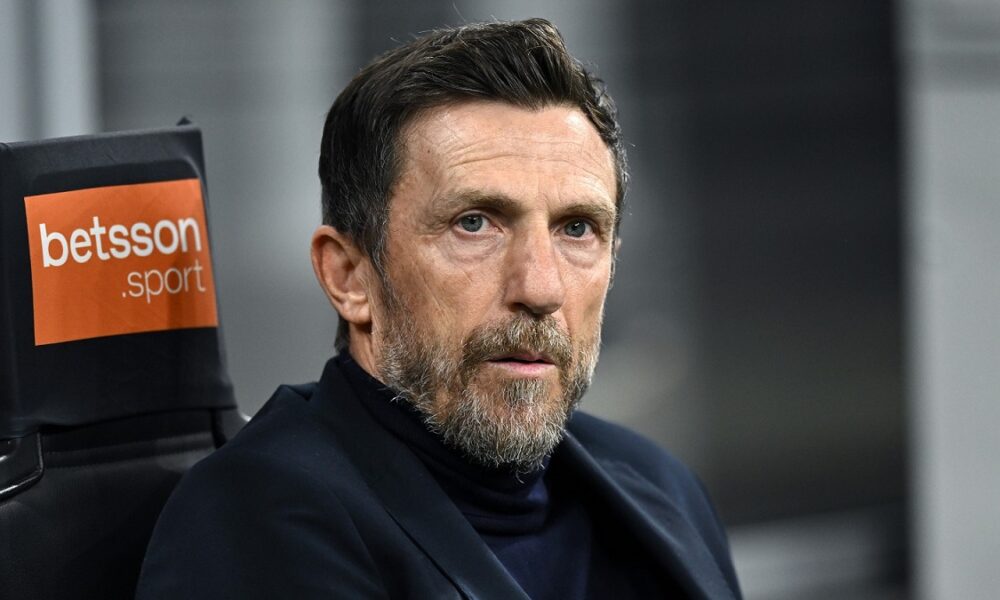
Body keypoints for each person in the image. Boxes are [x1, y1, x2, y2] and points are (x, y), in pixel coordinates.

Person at [137, 18, 742, 600]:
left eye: (577, 228)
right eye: (474, 224)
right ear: (349, 276)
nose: (541, 288)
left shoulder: (662, 488)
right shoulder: (258, 521)